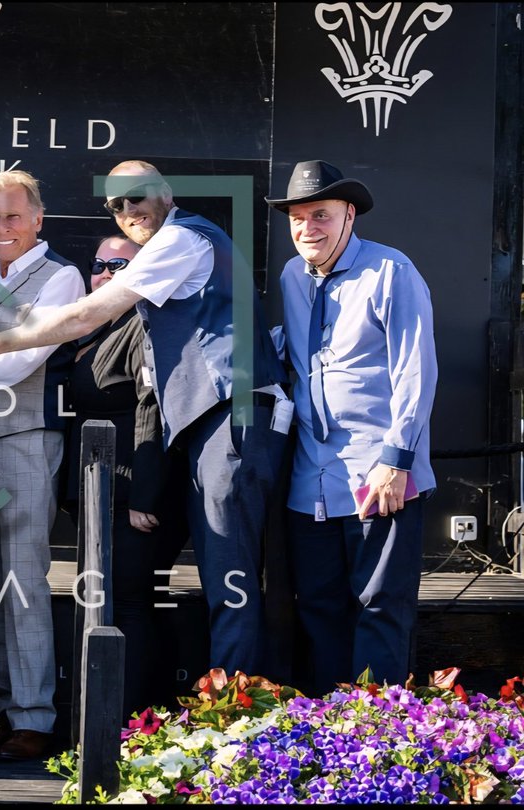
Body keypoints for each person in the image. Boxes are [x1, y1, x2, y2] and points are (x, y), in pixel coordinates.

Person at [0, 160, 288, 677]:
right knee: (220, 574)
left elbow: (86, 314)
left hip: (232, 413)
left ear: (166, 194)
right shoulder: (173, 249)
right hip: (207, 424)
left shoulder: (182, 239)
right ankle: (230, 708)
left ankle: (240, 716)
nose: (129, 210)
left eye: (138, 196)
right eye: (117, 205)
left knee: (229, 573)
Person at [266, 160, 436, 695]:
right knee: (317, 608)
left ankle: (376, 738)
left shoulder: (392, 272)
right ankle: (327, 740)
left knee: (379, 608)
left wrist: (396, 461)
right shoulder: (293, 276)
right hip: (309, 480)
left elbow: (416, 369)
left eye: (320, 214)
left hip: (378, 476)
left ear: (349, 216)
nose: (307, 228)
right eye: (297, 217)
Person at [0, 170, 83, 760]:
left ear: (37, 219)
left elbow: (13, 366)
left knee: (23, 582)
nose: (1, 228)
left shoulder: (63, 278)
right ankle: (10, 709)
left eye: (12, 217)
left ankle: (36, 717)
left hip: (27, 439)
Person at [61, 234, 186, 718]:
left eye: (122, 264)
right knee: (110, 605)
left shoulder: (146, 325)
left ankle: (132, 725)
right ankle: (111, 720)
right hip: (100, 492)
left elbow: (152, 409)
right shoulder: (95, 327)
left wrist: (144, 495)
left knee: (132, 606)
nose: (107, 272)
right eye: (100, 263)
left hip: (134, 494)